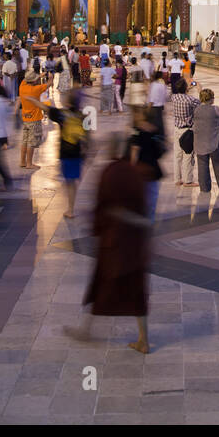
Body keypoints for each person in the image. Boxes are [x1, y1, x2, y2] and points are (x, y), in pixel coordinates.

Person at [66, 144, 153, 354]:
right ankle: (143, 339)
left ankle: (86, 330)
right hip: (134, 244)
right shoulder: (135, 172)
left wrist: (97, 226)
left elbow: (103, 205)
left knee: (99, 285)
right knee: (135, 291)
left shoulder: (110, 172)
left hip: (114, 242)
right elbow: (143, 206)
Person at [50, 91, 89, 219]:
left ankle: (70, 210)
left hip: (66, 153)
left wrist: (30, 99)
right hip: (77, 153)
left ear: (68, 102)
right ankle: (70, 208)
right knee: (72, 182)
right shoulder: (82, 116)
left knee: (69, 182)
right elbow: (87, 136)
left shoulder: (63, 115)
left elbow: (44, 107)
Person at [192, 88, 219, 196]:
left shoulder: (196, 110)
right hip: (213, 142)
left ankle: (204, 188)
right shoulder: (215, 109)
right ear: (211, 98)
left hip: (199, 143)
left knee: (202, 165)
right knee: (218, 164)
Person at [129, 106, 165, 219]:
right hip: (154, 168)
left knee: (141, 196)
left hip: (141, 168)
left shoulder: (136, 131)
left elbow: (135, 150)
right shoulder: (155, 130)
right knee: (153, 196)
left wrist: (131, 168)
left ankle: (142, 218)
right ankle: (150, 219)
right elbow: (160, 150)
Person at [168, 76, 198, 187]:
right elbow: (200, 104)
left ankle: (177, 179)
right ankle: (188, 180)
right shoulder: (191, 100)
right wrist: (197, 88)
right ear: (186, 88)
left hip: (177, 129)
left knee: (177, 155)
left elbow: (180, 95)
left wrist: (185, 89)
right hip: (187, 131)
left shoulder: (174, 97)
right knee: (188, 155)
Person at [17, 71, 49, 170]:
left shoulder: (22, 87)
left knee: (25, 141)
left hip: (26, 118)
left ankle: (22, 161)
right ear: (34, 81)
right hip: (34, 120)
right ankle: (29, 163)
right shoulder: (36, 89)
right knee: (32, 142)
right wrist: (50, 77)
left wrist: (39, 75)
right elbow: (49, 84)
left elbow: (25, 79)